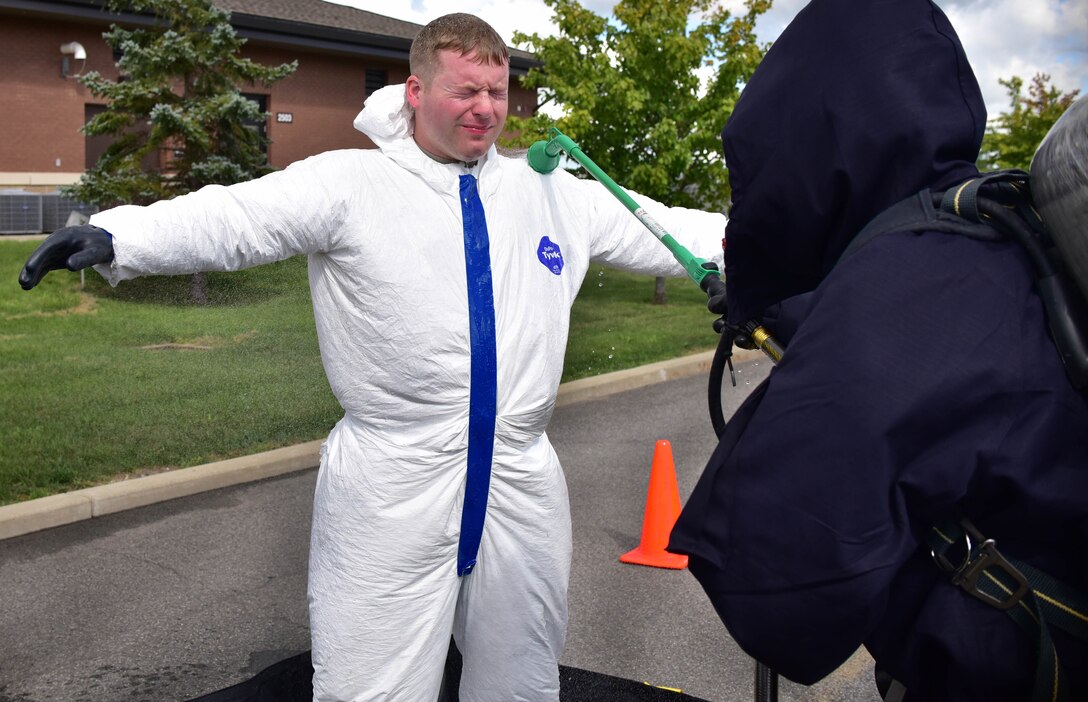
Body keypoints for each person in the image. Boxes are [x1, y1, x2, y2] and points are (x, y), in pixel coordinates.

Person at [19, 13, 726, 702]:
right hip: (393, 482)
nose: (486, 110)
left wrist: (787, 246)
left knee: (522, 674)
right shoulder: (351, 186)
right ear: (416, 93)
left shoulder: (551, 195)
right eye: (465, 91)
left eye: (497, 92)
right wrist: (120, 237)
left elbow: (668, 228)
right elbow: (236, 216)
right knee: (372, 682)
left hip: (522, 479)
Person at [667, 0, 1088, 700]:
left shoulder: (898, 284)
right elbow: (956, 359)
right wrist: (801, 316)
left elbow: (770, 583)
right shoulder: (990, 223)